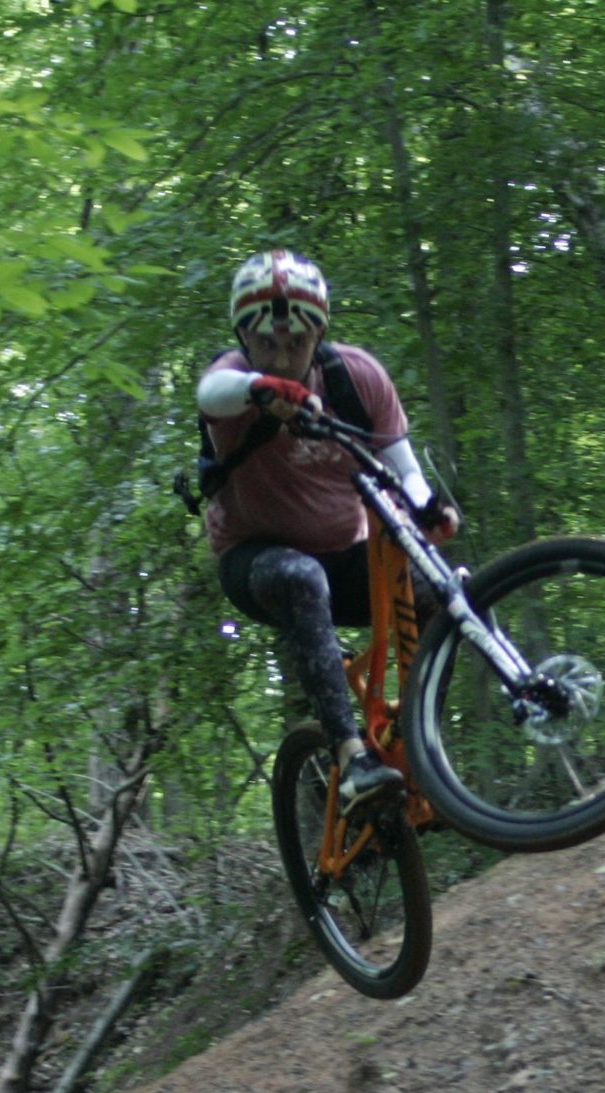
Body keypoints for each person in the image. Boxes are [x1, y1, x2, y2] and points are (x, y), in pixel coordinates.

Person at [196, 248, 457, 812]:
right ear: (245, 339)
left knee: (441, 589)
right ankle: (350, 757)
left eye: (296, 344)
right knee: (299, 575)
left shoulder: (357, 378)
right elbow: (208, 395)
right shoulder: (233, 379)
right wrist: (259, 389)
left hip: (348, 553)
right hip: (256, 561)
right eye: (267, 344)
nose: (283, 356)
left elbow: (403, 466)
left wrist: (427, 507)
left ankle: (421, 743)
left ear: (319, 337)